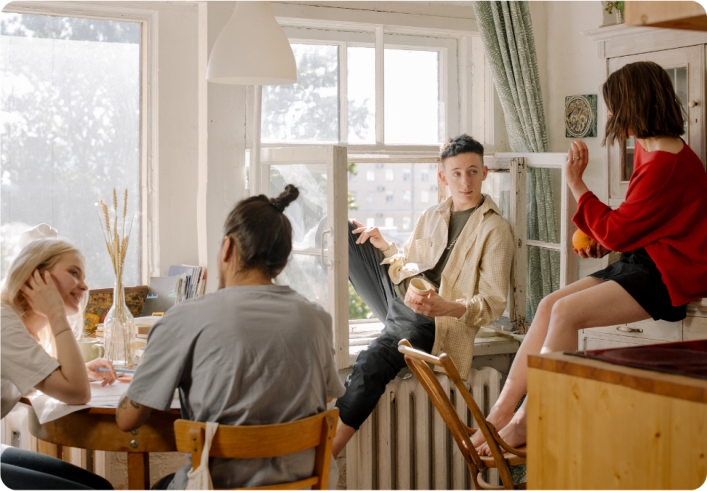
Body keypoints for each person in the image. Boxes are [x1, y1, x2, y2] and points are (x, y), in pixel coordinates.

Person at [471, 60, 707, 455]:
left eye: (614, 107)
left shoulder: (665, 163)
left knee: (567, 313)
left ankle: (528, 420)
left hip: (668, 273)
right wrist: (605, 239)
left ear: (635, 104)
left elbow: (619, 229)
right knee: (549, 305)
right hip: (644, 259)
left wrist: (576, 183)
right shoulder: (649, 149)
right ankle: (501, 412)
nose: (611, 116)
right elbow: (637, 222)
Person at [115, 185, 346, 491]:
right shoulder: (316, 318)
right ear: (281, 263)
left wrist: (147, 369)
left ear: (227, 248)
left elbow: (128, 420)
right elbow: (326, 397)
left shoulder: (184, 318)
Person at [332, 134, 515, 457]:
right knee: (344, 230)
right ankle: (392, 329)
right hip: (400, 295)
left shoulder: (495, 229)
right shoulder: (432, 215)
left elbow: (491, 303)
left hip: (431, 321)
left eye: (472, 172)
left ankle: (327, 453)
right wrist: (385, 247)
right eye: (456, 173)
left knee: (371, 362)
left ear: (484, 173)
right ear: (443, 177)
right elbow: (409, 266)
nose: (465, 181)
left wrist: (447, 306)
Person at [0, 227, 116, 491]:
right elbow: (77, 393)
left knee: (99, 487)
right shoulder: (4, 324)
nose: (84, 286)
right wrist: (56, 315)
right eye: (74, 273)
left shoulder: (19, 328)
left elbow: (33, 378)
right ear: (37, 276)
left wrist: (78, 369)